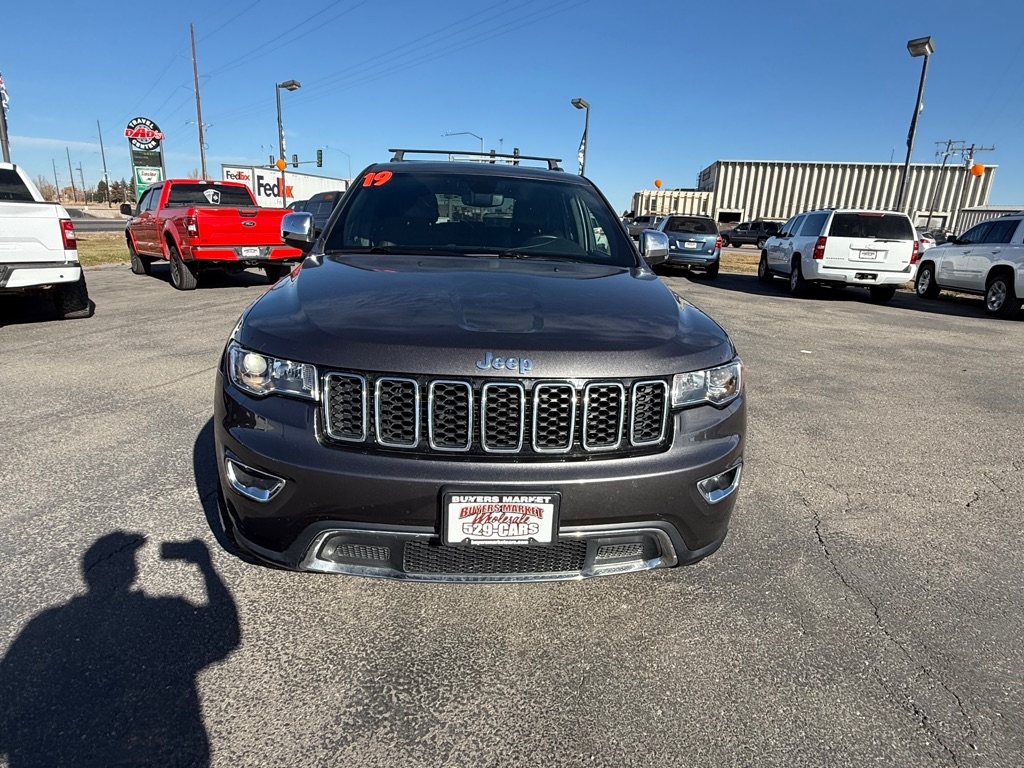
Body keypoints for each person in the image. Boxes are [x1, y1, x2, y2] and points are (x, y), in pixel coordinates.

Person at [0, 532, 240, 767]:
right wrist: (205, 566)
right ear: (131, 571)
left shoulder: (45, 623)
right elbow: (225, 634)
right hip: (163, 749)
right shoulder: (162, 611)